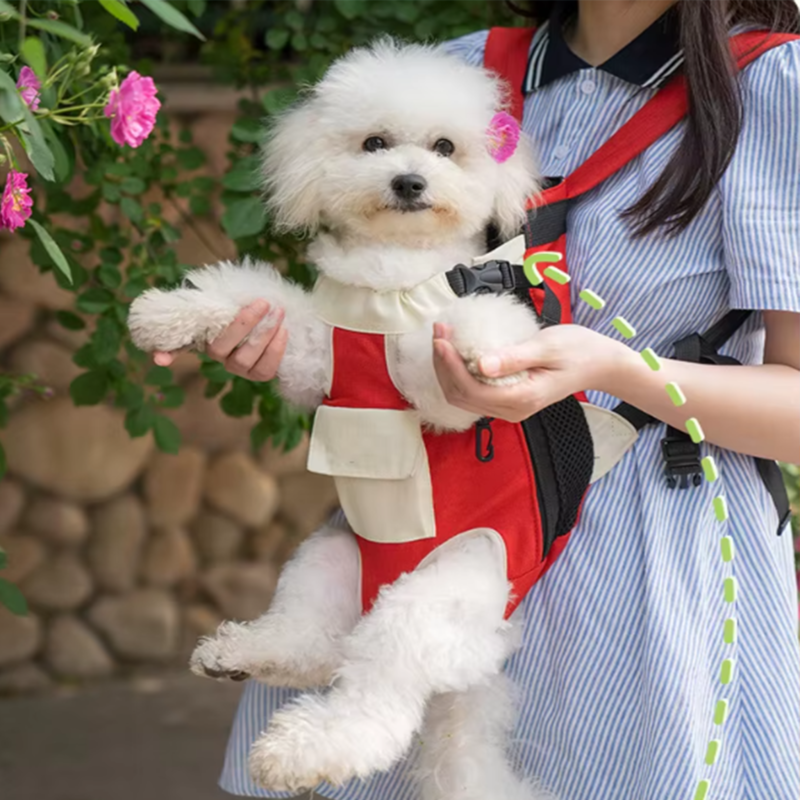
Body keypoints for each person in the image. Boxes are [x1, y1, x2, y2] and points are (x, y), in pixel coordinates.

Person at [155, 1, 800, 798]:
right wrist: (295, 349)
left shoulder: (771, 86)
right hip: (425, 519)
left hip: (639, 560)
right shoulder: (456, 72)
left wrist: (614, 369)